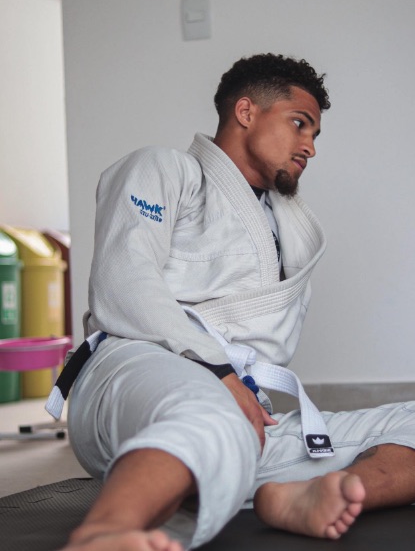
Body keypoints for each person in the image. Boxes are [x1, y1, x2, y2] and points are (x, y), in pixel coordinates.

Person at [53, 54, 415, 551]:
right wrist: (216, 369)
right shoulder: (164, 168)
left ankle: (299, 495)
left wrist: (229, 382)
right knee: (210, 412)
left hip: (242, 408)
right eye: (299, 124)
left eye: (314, 134)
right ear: (246, 112)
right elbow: (124, 283)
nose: (309, 146)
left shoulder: (286, 228)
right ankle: (107, 532)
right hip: (137, 369)